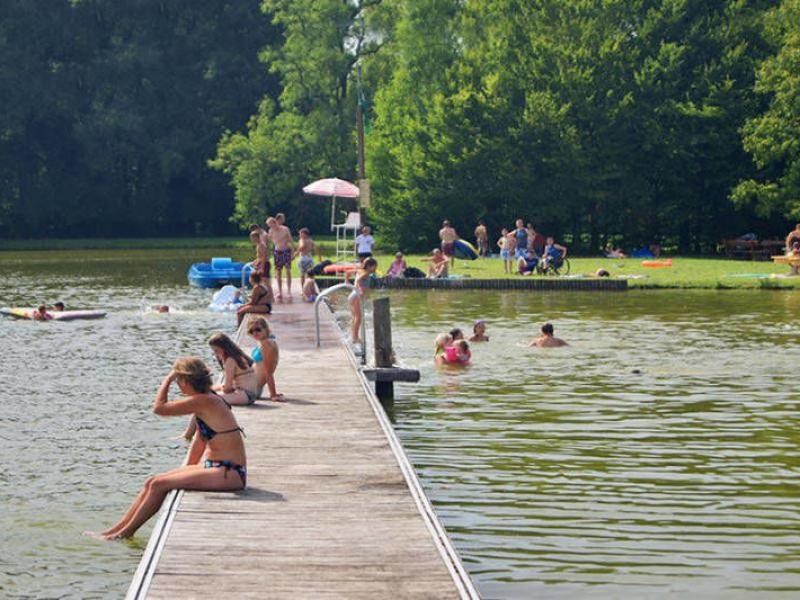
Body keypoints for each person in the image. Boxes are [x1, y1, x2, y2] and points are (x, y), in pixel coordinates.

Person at [92, 358, 246, 539]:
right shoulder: (207, 400)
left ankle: (124, 534)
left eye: (178, 382)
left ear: (186, 381)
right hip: (216, 467)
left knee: (159, 484)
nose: (178, 386)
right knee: (152, 481)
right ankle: (115, 530)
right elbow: (199, 442)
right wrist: (184, 471)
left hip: (229, 472)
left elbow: (159, 408)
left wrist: (167, 379)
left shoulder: (204, 401)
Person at [209, 332, 262, 405]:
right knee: (210, 389)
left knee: (209, 398)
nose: (215, 354)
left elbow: (228, 388)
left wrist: (221, 390)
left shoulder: (230, 361)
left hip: (246, 395)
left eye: (216, 350)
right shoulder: (238, 356)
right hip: (249, 393)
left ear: (224, 348)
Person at [248, 318, 283, 402]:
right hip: (250, 385)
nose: (254, 333)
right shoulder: (265, 341)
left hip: (252, 389)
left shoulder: (266, 344)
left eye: (258, 329)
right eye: (251, 331)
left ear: (265, 329)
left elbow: (268, 372)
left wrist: (273, 395)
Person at [349, 257, 377, 345]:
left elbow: (348, 272)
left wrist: (346, 281)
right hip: (356, 296)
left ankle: (354, 336)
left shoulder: (360, 270)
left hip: (353, 295)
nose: (376, 268)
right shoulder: (365, 273)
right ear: (369, 266)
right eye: (375, 266)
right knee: (358, 317)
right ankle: (355, 338)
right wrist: (359, 289)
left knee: (355, 317)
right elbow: (358, 280)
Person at [267, 216, 294, 300]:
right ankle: (280, 291)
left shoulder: (285, 229)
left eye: (271, 225)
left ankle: (289, 291)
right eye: (269, 226)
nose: (271, 227)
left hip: (286, 251)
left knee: (288, 270)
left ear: (275, 222)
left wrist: (292, 253)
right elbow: (267, 241)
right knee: (278, 272)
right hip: (277, 252)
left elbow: (291, 241)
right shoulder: (270, 231)